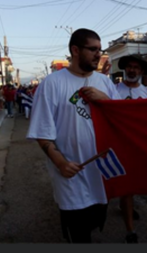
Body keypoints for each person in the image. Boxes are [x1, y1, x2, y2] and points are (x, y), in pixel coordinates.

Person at [26, 28, 120, 243]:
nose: (99, 54)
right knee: (78, 235)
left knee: (95, 222)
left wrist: (104, 99)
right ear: (75, 50)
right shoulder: (52, 84)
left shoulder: (105, 83)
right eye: (93, 49)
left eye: (100, 49)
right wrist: (60, 162)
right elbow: (42, 132)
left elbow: (119, 119)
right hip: (70, 174)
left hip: (99, 172)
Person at [115, 55, 147, 243]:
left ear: (141, 72)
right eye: (129, 67)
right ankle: (130, 231)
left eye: (136, 68)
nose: (132, 70)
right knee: (126, 187)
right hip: (118, 145)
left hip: (139, 146)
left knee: (134, 183)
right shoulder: (113, 91)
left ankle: (126, 206)